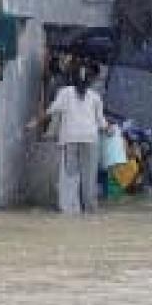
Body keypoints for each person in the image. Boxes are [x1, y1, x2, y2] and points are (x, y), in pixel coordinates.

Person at [31, 59, 108, 214]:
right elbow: (101, 123)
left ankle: (70, 210)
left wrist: (35, 122)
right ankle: (89, 210)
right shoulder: (94, 96)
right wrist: (110, 130)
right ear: (91, 80)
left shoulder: (65, 93)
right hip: (90, 138)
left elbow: (51, 110)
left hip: (71, 138)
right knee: (89, 177)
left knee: (70, 175)